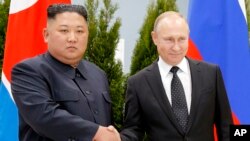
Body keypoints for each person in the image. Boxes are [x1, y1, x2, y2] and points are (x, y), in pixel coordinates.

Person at [11, 4, 120, 141]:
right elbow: (44, 117)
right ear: (46, 35)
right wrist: (96, 133)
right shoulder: (28, 71)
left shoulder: (98, 74)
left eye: (80, 31)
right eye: (64, 31)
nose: (72, 38)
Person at [120, 11, 233, 141]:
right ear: (155, 38)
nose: (176, 47)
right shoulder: (138, 83)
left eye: (182, 39)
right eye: (169, 39)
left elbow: (226, 126)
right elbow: (133, 130)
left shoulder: (212, 74)